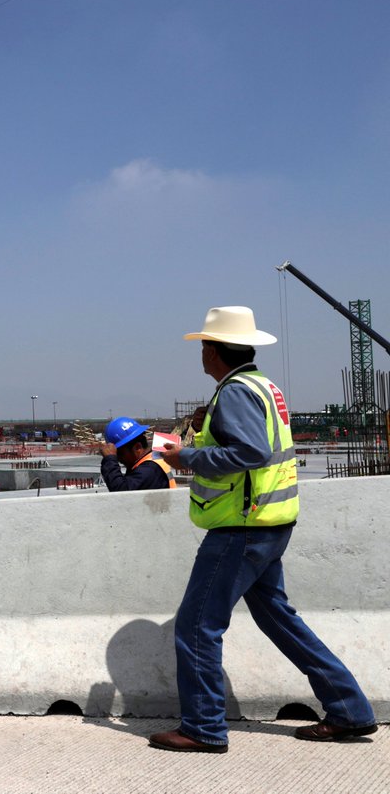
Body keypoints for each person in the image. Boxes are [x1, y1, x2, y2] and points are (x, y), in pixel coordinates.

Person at [148, 306, 377, 753]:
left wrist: (184, 457)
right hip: (270, 523)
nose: (202, 354)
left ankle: (202, 727)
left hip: (241, 527)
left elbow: (251, 451)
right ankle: (349, 709)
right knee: (280, 620)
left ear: (213, 351)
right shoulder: (263, 386)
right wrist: (207, 427)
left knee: (196, 626)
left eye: (204, 346)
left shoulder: (235, 392)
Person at [99, 417, 175, 491]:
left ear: (137, 448)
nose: (118, 459)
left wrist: (110, 459)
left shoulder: (149, 469)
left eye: (120, 453)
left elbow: (121, 492)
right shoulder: (151, 462)